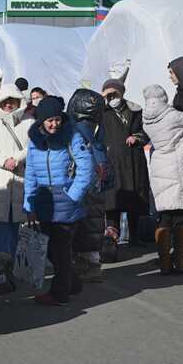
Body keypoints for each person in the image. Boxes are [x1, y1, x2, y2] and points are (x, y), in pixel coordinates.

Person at [24, 96, 94, 306]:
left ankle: (60, 293)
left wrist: (73, 194)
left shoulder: (72, 136)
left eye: (57, 119)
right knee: (52, 251)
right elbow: (31, 173)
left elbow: (86, 167)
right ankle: (71, 282)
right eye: (49, 121)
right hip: (44, 200)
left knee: (60, 250)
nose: (54, 124)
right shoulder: (35, 141)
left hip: (65, 200)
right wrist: (29, 202)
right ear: (41, 122)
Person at [141, 81, 183, 275]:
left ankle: (164, 264)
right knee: (180, 218)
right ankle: (179, 263)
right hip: (177, 170)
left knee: (164, 217)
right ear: (163, 98)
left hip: (159, 169)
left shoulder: (147, 120)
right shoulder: (172, 117)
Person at [0, 84, 34, 254]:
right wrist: (4, 161)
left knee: (19, 226)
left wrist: (17, 159)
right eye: (5, 101)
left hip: (22, 177)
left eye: (12, 100)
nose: (9, 104)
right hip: (0, 179)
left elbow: (34, 146)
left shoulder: (29, 122)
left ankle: (15, 266)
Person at [100, 69, 150, 247]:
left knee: (133, 200)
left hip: (132, 160)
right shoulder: (102, 113)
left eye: (114, 93)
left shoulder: (134, 110)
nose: (111, 97)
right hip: (111, 161)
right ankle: (111, 240)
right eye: (108, 94)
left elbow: (146, 131)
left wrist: (137, 137)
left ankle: (135, 238)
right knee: (112, 201)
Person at [67, 89, 111, 282]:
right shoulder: (98, 129)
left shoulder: (73, 129)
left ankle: (80, 264)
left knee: (78, 226)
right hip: (96, 182)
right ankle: (93, 264)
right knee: (94, 223)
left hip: (79, 182)